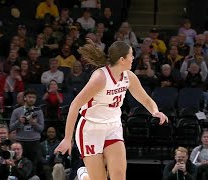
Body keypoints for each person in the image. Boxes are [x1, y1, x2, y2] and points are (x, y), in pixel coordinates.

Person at [54, 40, 168, 180]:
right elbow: (74, 105)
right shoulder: (100, 78)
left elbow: (145, 99)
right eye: (131, 55)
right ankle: (84, 175)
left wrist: (155, 111)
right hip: (91, 129)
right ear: (121, 59)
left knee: (119, 176)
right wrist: (67, 138)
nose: (133, 58)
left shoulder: (129, 76)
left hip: (113, 127)